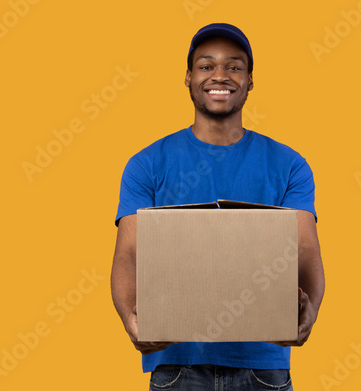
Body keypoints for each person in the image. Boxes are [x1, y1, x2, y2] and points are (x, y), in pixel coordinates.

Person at [111, 23, 325, 391]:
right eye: (207, 66)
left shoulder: (289, 164)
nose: (220, 76)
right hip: (176, 363)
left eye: (235, 66)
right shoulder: (147, 163)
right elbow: (129, 253)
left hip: (264, 365)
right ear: (189, 77)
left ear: (250, 80)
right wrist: (130, 318)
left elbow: (305, 249)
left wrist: (311, 313)